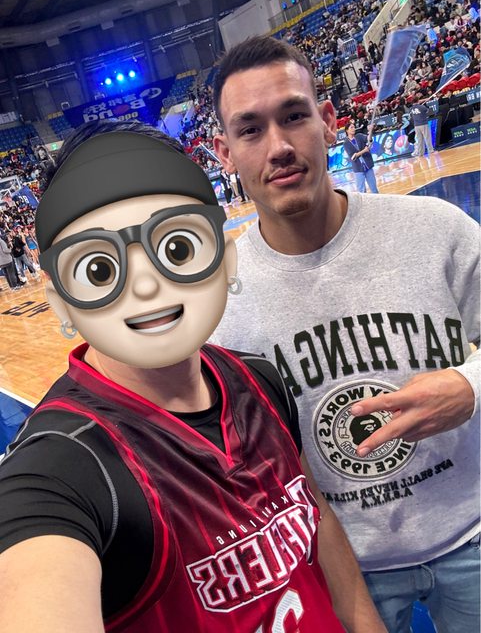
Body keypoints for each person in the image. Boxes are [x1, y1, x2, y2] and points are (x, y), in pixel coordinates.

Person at [0, 120, 386, 633]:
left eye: (177, 249)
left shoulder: (259, 378)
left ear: (225, 259)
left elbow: (318, 521)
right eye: (100, 270)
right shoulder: (62, 468)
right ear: (61, 303)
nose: (146, 286)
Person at [211, 35, 480, 632]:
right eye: (251, 129)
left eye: (294, 116)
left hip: (472, 533)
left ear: (329, 120)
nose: (279, 146)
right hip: (343, 570)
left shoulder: (436, 229)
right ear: (225, 152)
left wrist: (471, 385)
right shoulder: (217, 297)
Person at [342, 123, 379, 193]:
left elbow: (369, 139)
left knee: (374, 189)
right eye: (351, 127)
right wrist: (364, 151)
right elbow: (353, 157)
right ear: (347, 130)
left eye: (354, 127)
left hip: (368, 166)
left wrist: (370, 131)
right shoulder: (346, 143)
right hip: (358, 169)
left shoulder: (359, 136)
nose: (354, 129)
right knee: (361, 191)